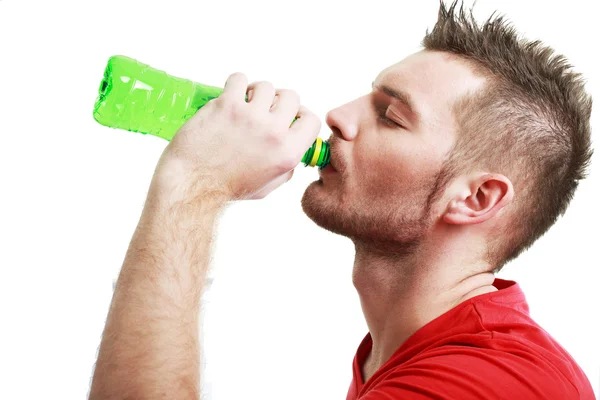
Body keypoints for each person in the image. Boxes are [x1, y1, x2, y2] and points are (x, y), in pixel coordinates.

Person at [88, 1, 595, 399]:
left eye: (391, 116)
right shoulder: (396, 355)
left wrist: (193, 184)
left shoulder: (489, 380)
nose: (337, 117)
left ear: (476, 198)